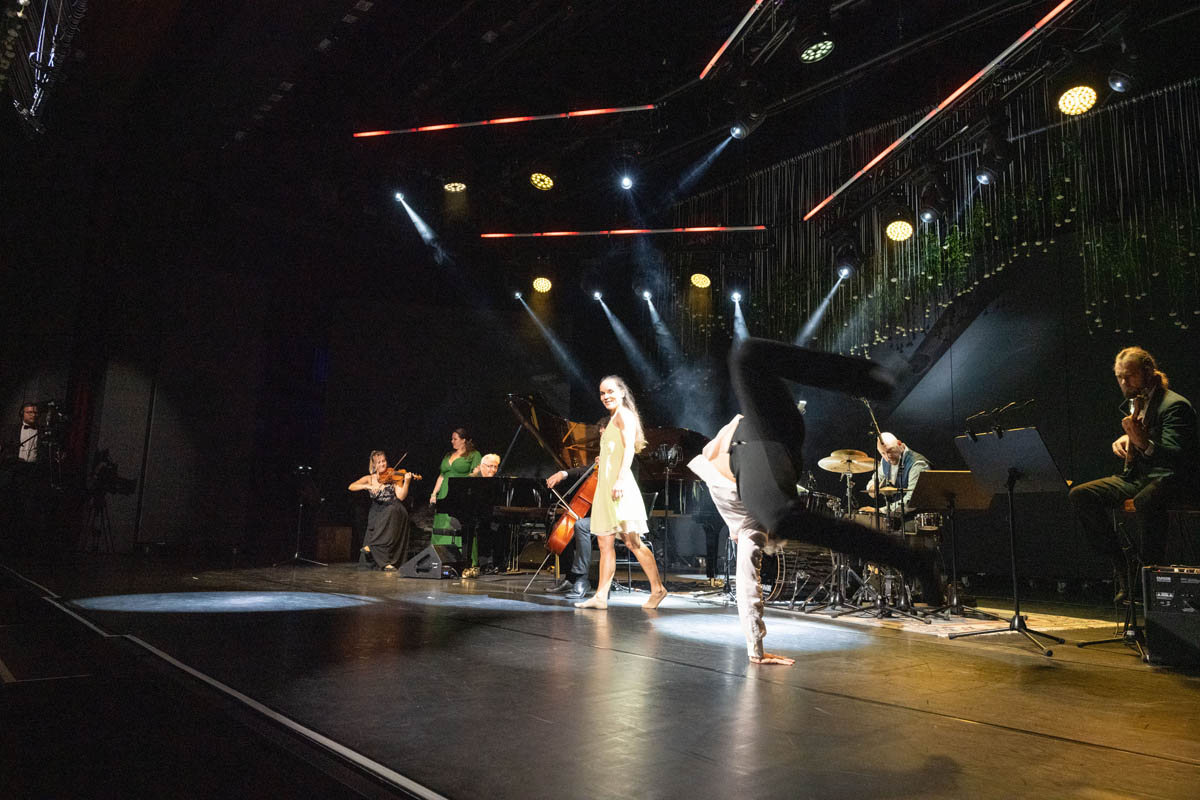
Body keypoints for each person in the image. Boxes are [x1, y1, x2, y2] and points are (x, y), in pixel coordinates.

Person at [723, 337, 942, 597]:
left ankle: (872, 379)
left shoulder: (737, 480)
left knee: (748, 354)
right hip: (768, 441)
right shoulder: (759, 500)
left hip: (766, 434)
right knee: (785, 521)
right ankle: (912, 560)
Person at [1069, 347, 1198, 601]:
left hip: (1171, 477)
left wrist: (1142, 442)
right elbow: (1147, 431)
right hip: (1139, 476)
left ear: (1148, 372)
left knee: (1146, 500)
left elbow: (1177, 455)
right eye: (1119, 377)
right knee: (1081, 495)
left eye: (1129, 376)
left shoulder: (1175, 405)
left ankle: (1149, 577)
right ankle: (1123, 565)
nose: (1124, 382)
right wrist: (1129, 438)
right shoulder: (1138, 400)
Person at [689, 414, 795, 666]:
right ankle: (756, 651)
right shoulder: (756, 522)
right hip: (729, 485)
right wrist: (756, 649)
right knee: (748, 574)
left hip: (716, 474)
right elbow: (748, 587)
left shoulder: (752, 521)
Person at [575, 376, 668, 610]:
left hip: (619, 486)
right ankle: (600, 597)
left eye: (610, 391)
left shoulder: (624, 415)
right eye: (602, 393)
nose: (605, 396)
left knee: (632, 541)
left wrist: (620, 479)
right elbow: (615, 449)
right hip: (606, 487)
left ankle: (658, 589)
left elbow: (628, 451)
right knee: (604, 542)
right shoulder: (614, 417)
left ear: (622, 392)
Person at [348, 450, 414, 570]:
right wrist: (366, 486)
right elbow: (351, 486)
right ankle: (379, 560)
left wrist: (407, 483)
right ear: (374, 465)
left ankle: (378, 553)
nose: (382, 464)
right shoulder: (369, 478)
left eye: (384, 461)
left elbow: (400, 497)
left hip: (393, 508)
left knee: (390, 513)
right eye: (379, 462)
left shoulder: (393, 476)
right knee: (375, 524)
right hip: (377, 510)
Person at [545, 461, 597, 600]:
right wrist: (562, 474)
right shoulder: (602, 464)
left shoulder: (624, 464)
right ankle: (570, 578)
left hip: (611, 516)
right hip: (596, 513)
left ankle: (581, 578)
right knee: (564, 529)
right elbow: (584, 470)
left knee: (580, 525)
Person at [429, 427, 482, 555]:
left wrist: (473, 475)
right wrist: (434, 494)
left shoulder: (474, 455)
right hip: (444, 494)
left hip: (460, 494)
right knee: (442, 524)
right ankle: (440, 556)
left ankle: (461, 557)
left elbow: (477, 475)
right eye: (452, 439)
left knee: (457, 525)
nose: (452, 441)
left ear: (463, 440)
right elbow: (442, 476)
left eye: (455, 439)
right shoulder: (448, 455)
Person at [864, 432, 931, 513]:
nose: (887, 457)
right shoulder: (885, 460)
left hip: (916, 515)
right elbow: (875, 480)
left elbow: (912, 500)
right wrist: (872, 488)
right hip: (896, 514)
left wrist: (881, 511)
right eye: (883, 453)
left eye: (890, 450)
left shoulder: (917, 464)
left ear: (899, 444)